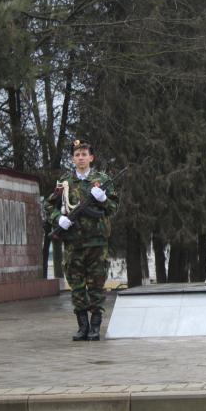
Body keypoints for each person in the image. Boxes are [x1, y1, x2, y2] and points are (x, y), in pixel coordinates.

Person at [46, 139, 118, 341]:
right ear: (72, 159)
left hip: (97, 243)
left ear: (91, 157)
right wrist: (58, 218)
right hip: (73, 244)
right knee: (77, 286)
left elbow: (114, 208)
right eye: (77, 155)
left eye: (84, 154)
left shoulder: (102, 180)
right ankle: (82, 326)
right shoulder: (65, 183)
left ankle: (95, 327)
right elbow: (49, 206)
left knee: (96, 286)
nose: (81, 158)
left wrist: (103, 199)